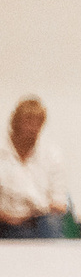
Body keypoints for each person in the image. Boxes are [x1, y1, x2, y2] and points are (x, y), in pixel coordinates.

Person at [0, 96, 71, 239]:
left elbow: (59, 203)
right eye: (27, 122)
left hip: (38, 220)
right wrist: (8, 217)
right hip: (4, 221)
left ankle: (52, 259)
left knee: (51, 223)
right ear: (15, 123)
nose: (32, 128)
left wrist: (33, 213)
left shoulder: (52, 154)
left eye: (37, 123)